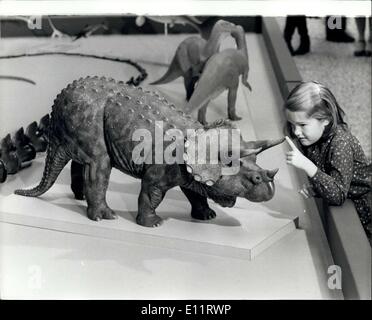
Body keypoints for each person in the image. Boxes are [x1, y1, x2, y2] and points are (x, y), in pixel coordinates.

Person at [283, 81, 371, 239]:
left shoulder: (341, 144)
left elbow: (337, 195)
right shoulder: (312, 138)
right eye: (292, 124)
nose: (296, 131)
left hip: (366, 207)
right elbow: (329, 172)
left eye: (302, 124)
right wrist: (317, 188)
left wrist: (307, 165)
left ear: (325, 119)